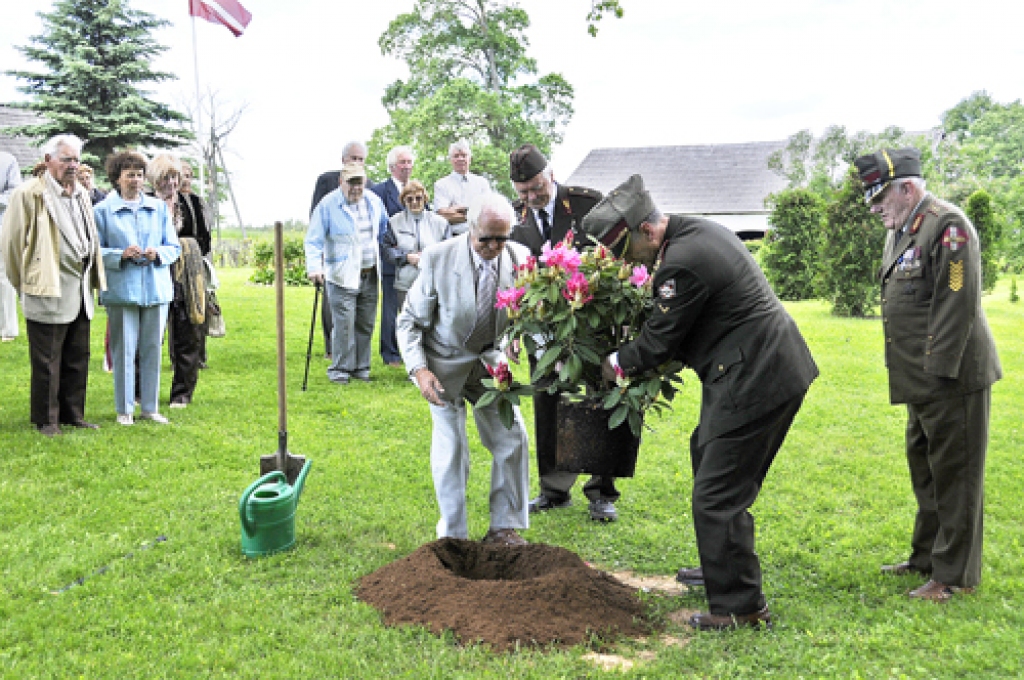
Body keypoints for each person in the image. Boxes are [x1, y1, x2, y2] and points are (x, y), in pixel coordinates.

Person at [582, 174, 818, 630]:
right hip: (758, 367)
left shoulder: (682, 262)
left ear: (648, 232)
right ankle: (720, 569)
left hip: (756, 376)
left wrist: (610, 362)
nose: (627, 262)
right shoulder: (694, 232)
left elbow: (656, 345)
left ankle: (741, 609)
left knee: (717, 493)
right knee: (707, 452)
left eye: (628, 252)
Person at [854, 148, 1002, 602]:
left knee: (955, 475)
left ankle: (953, 576)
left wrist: (937, 375)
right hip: (921, 378)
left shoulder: (947, 225)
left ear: (908, 187)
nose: (874, 207)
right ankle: (926, 557)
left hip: (950, 376)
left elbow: (956, 302)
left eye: (880, 196)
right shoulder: (902, 229)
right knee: (927, 470)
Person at [396, 192, 531, 546]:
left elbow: (526, 307)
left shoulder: (519, 258)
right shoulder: (439, 260)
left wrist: (516, 331)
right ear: (470, 230)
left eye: (502, 238)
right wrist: (419, 370)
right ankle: (453, 536)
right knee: (452, 446)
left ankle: (504, 526)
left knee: (511, 436)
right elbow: (408, 321)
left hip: (488, 360)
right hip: (442, 362)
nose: (495, 246)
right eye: (487, 238)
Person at [507, 144, 616, 522]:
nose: (532, 198)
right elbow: (515, 279)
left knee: (601, 400)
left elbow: (615, 254)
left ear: (550, 175)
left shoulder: (586, 204)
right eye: (523, 193)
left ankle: (602, 492)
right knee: (548, 402)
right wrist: (515, 329)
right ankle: (554, 489)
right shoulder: (516, 218)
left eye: (537, 188)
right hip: (545, 330)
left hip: (592, 324)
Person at [0, 134, 107, 436]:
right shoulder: (28, 194)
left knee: (77, 357)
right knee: (47, 362)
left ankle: (74, 414)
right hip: (46, 289)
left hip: (80, 290)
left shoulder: (83, 193)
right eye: (66, 160)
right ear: (48, 161)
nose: (73, 166)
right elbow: (9, 245)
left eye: (76, 160)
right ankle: (46, 420)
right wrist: (26, 283)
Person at [95, 151, 180, 425]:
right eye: (130, 175)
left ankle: (150, 408)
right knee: (124, 350)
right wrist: (120, 255)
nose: (136, 180)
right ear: (117, 178)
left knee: (152, 348)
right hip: (122, 291)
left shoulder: (157, 209)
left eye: (140, 175)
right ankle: (125, 410)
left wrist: (159, 254)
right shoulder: (102, 211)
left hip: (156, 289)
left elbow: (174, 247)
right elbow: (95, 251)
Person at [306, 161, 388, 385]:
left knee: (365, 323)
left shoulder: (374, 201)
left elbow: (384, 230)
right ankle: (340, 369)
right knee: (343, 324)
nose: (355, 188)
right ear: (341, 182)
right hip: (341, 274)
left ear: (365, 181)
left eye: (359, 182)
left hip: (369, 273)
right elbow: (313, 240)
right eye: (350, 182)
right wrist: (314, 267)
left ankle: (361, 368)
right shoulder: (328, 204)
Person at [149, 155, 206, 410]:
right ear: (155, 180)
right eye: (165, 178)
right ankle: (142, 390)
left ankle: (182, 393)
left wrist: (185, 249)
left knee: (187, 333)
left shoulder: (191, 203)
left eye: (174, 177)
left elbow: (204, 239)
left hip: (186, 275)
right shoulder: (146, 204)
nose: (171, 183)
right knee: (149, 334)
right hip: (153, 273)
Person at [309, 141, 369, 360]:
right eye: (353, 158)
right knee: (332, 301)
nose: (356, 162)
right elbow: (315, 215)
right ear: (344, 159)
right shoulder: (326, 180)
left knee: (360, 305)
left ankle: (354, 350)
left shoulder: (368, 185)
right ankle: (331, 346)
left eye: (360, 159)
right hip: (334, 253)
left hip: (360, 257)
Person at [370, 145, 416, 367]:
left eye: (409, 162)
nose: (406, 167)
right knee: (390, 308)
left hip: (415, 262)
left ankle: (414, 350)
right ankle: (390, 354)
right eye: (402, 163)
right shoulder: (379, 192)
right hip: (390, 259)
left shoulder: (416, 190)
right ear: (392, 167)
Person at [380, 179, 451, 309]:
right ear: (403, 201)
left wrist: (427, 257)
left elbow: (448, 252)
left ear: (425, 199)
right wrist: (406, 257)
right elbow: (386, 250)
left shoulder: (440, 223)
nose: (414, 202)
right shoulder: (394, 222)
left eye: (418, 198)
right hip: (405, 284)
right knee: (409, 325)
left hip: (434, 283)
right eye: (409, 199)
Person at [177, 161, 213, 369]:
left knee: (201, 305)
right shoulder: (173, 201)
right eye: (182, 175)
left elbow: (205, 231)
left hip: (199, 258)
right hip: (181, 258)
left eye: (189, 175)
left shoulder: (198, 201)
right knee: (181, 309)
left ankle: (200, 355)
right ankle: (181, 357)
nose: (186, 179)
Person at [433, 139, 492, 236]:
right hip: (453, 237)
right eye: (456, 156)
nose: (460, 159)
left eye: (464, 155)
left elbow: (487, 212)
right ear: (450, 160)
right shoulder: (441, 185)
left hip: (479, 236)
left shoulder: (482, 183)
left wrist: (457, 210)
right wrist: (473, 212)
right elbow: (442, 215)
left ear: (470, 158)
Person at [0, 150, 22, 342]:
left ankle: (8, 328)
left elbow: (14, 192)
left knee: (4, 279)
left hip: (1, 226)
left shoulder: (7, 160)